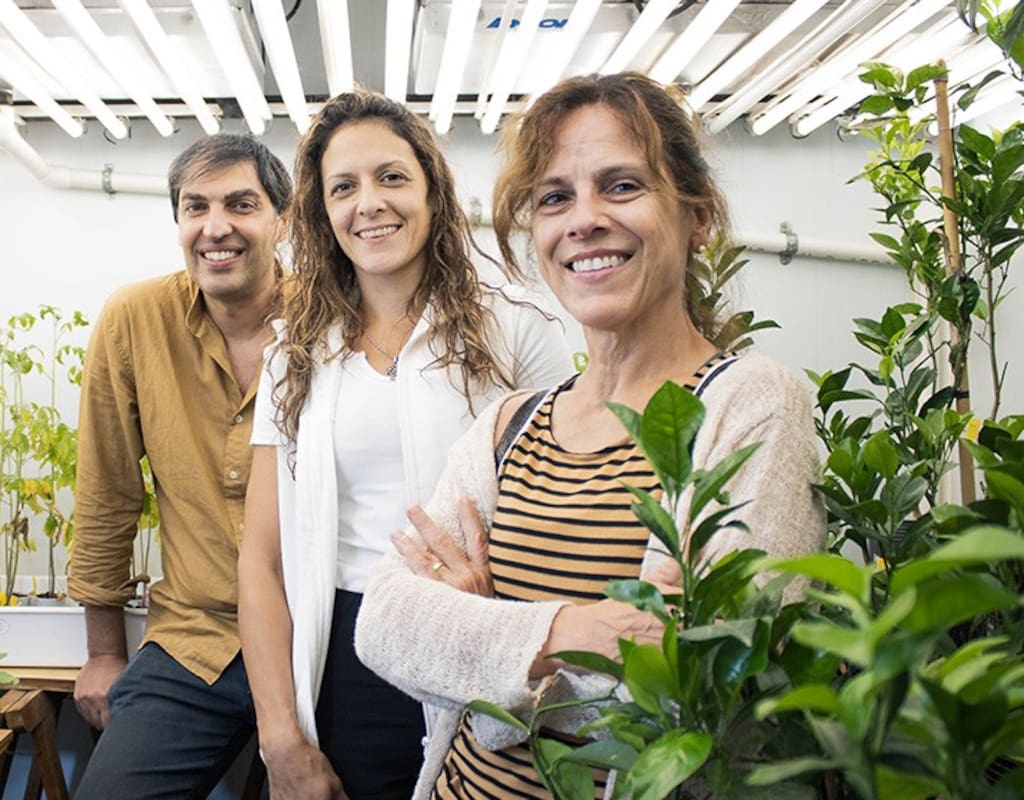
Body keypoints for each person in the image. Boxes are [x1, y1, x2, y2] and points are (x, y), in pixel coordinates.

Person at [353, 72, 827, 799]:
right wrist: (568, 633)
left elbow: (700, 690)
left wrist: (482, 640)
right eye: (555, 198)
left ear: (696, 216)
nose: (584, 220)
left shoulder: (752, 402)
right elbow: (384, 622)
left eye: (622, 186)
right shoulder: (509, 424)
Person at [238, 89, 570, 800]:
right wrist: (280, 737)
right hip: (346, 659)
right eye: (344, 187)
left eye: (392, 177)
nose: (370, 204)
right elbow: (261, 559)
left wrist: (500, 613)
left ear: (431, 188)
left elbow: (571, 510)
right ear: (323, 213)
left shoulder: (519, 327)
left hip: (489, 633)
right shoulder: (293, 355)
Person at [67, 132, 292, 800]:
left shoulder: (330, 320)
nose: (215, 228)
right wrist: (104, 652)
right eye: (195, 208)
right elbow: (107, 489)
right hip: (196, 642)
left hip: (318, 641)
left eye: (241, 204)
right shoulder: (134, 319)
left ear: (282, 218)